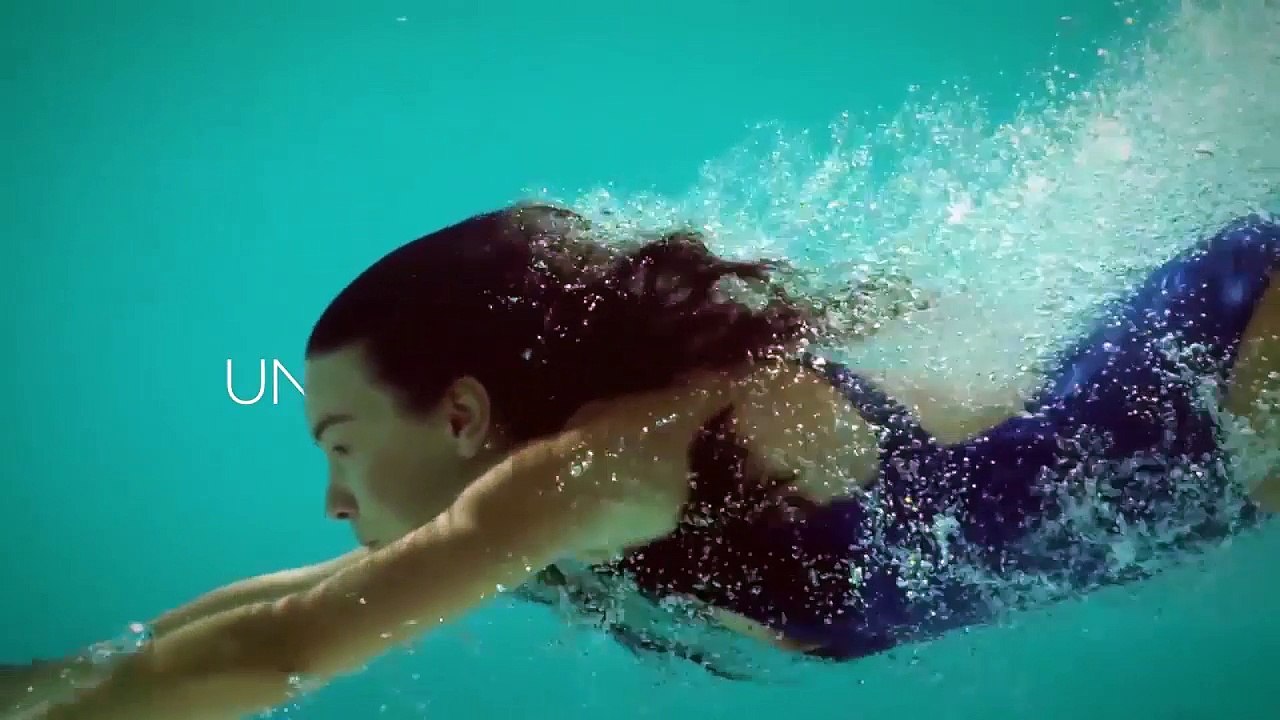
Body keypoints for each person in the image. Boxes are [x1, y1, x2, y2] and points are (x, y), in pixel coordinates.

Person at [8, 203, 1279, 719]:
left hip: (1223, 372)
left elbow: (283, 648)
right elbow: (278, 608)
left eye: (341, 444)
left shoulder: (580, 476)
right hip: (1206, 446)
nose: (333, 498)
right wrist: (51, 682)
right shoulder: (564, 518)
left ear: (461, 414)